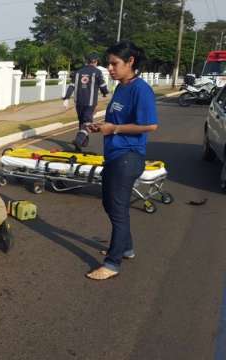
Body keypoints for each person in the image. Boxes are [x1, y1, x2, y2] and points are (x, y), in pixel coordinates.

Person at [85, 41, 158, 281]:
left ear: (130, 62)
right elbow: (115, 122)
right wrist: (102, 128)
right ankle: (126, 248)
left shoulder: (141, 90)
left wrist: (114, 128)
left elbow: (150, 125)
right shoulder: (121, 88)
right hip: (115, 155)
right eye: (109, 63)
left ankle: (113, 263)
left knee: (117, 210)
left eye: (115, 63)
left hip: (128, 157)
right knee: (111, 204)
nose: (110, 68)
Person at [63, 53, 109, 151]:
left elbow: (71, 86)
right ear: (96, 61)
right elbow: (103, 86)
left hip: (78, 101)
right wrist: (105, 93)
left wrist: (66, 98)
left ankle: (83, 142)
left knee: (82, 121)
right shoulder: (97, 72)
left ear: (86, 61)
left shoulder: (78, 72)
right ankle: (79, 140)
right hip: (90, 102)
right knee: (87, 122)